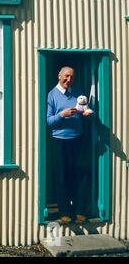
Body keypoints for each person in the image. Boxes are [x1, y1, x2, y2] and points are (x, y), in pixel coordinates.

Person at [47, 66, 92, 225]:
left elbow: (84, 110)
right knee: (62, 177)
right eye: (66, 76)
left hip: (78, 140)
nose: (69, 80)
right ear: (59, 76)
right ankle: (65, 212)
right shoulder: (51, 95)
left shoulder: (78, 93)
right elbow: (49, 121)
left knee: (81, 175)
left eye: (72, 77)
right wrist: (62, 115)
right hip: (60, 141)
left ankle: (80, 211)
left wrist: (86, 114)